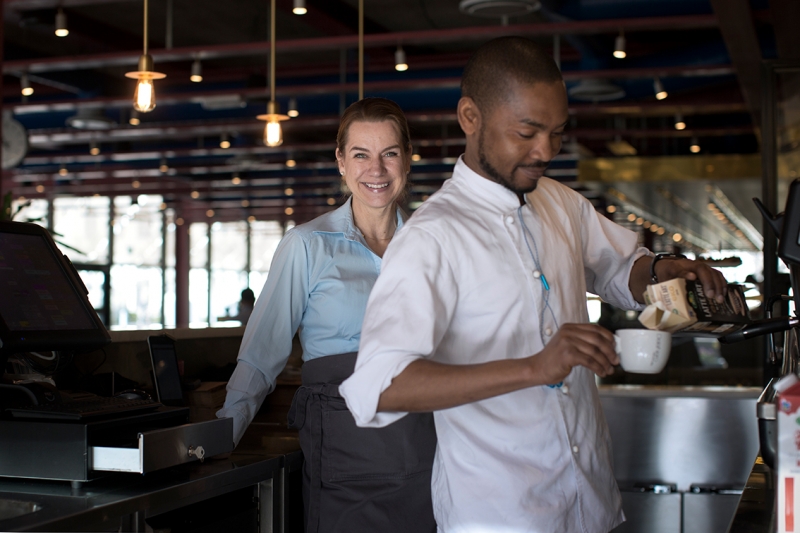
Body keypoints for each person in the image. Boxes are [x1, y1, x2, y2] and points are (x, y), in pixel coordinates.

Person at [339, 37, 728, 533]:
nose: (545, 150)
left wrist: (662, 272)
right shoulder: (433, 237)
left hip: (590, 504)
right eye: (526, 132)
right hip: (500, 515)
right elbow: (379, 385)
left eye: (557, 133)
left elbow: (619, 267)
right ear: (470, 118)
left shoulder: (559, 202)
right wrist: (535, 367)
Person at [217, 98, 437, 533]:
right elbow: (262, 355)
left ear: (407, 159)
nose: (376, 169)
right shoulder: (307, 245)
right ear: (341, 161)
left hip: (427, 448)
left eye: (389, 153)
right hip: (345, 450)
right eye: (361, 154)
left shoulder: (432, 247)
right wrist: (219, 441)